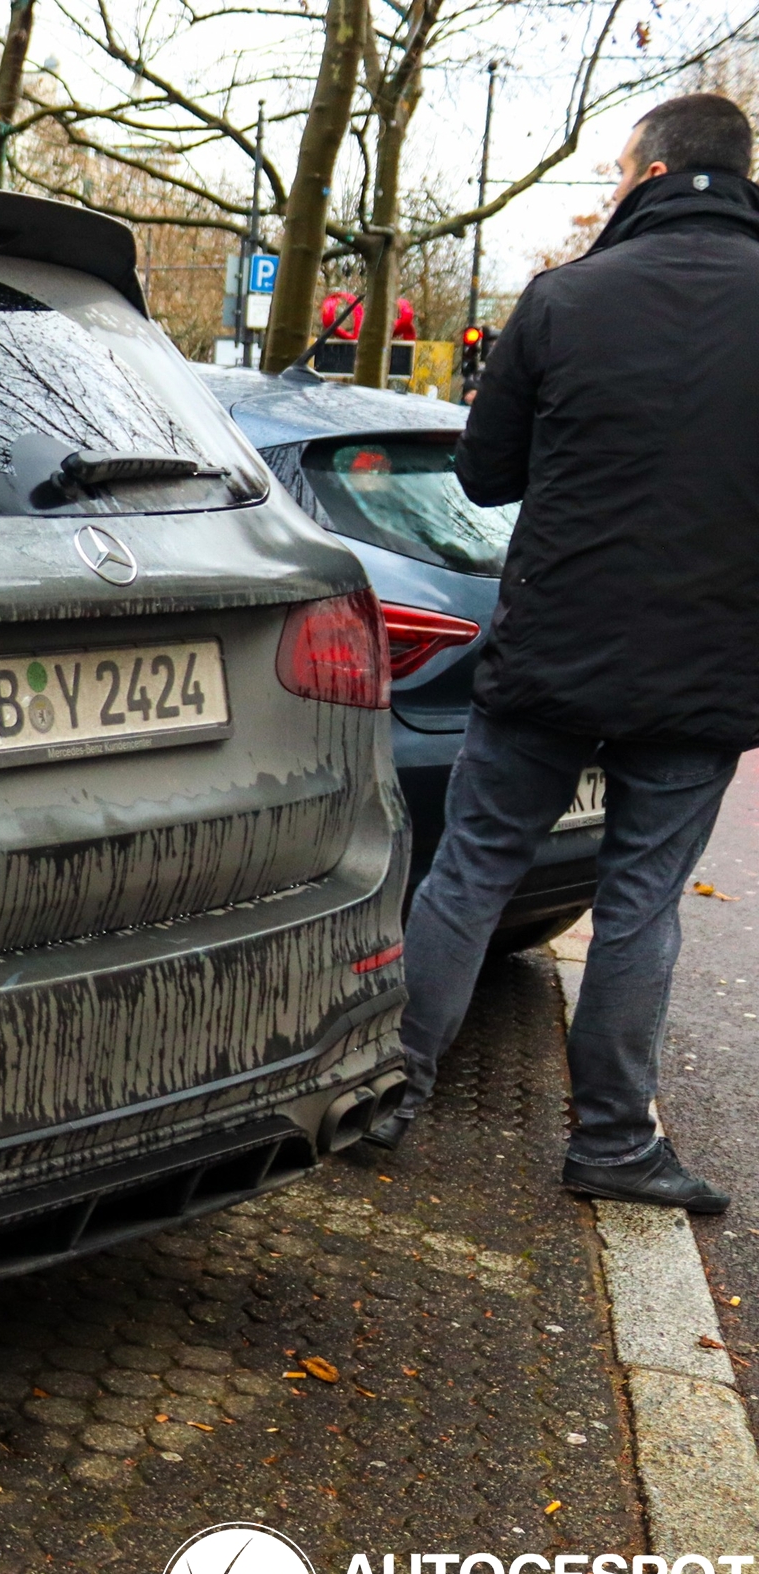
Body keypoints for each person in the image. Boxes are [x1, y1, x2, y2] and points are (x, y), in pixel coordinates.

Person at [367, 92, 759, 1213]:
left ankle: (389, 1092)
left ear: (645, 173)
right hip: (704, 664)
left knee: (472, 868)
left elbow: (484, 477)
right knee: (640, 898)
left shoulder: (562, 299)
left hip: (553, 643)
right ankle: (611, 1146)